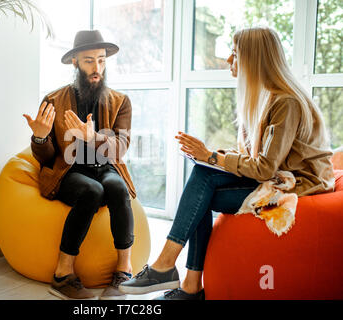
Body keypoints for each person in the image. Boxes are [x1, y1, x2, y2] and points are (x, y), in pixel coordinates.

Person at [119, 27, 335, 300]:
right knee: (203, 176)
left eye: (234, 55)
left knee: (203, 185)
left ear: (253, 60)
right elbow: (255, 156)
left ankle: (173, 273)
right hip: (278, 175)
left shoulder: (286, 102)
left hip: (296, 183)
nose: (228, 62)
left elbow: (265, 168)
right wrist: (209, 155)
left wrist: (212, 156)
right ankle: (185, 282)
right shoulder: (265, 98)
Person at [24, 30, 136, 300]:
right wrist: (40, 136)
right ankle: (63, 275)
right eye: (89, 61)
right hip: (68, 170)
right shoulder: (53, 100)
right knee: (92, 191)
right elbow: (48, 158)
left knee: (118, 189)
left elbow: (119, 148)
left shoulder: (120, 101)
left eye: (101, 60)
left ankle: (124, 270)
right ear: (74, 61)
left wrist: (93, 137)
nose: (96, 68)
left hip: (105, 167)